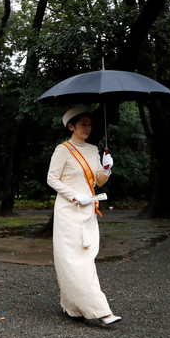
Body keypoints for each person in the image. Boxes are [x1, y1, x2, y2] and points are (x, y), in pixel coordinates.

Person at [46, 104, 121, 326]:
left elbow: (97, 181)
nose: (88, 128)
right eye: (83, 124)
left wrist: (106, 169)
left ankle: (71, 306)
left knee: (86, 258)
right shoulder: (63, 150)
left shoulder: (93, 149)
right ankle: (101, 311)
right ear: (71, 126)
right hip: (69, 210)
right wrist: (75, 196)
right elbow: (52, 179)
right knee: (75, 261)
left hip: (88, 210)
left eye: (89, 124)